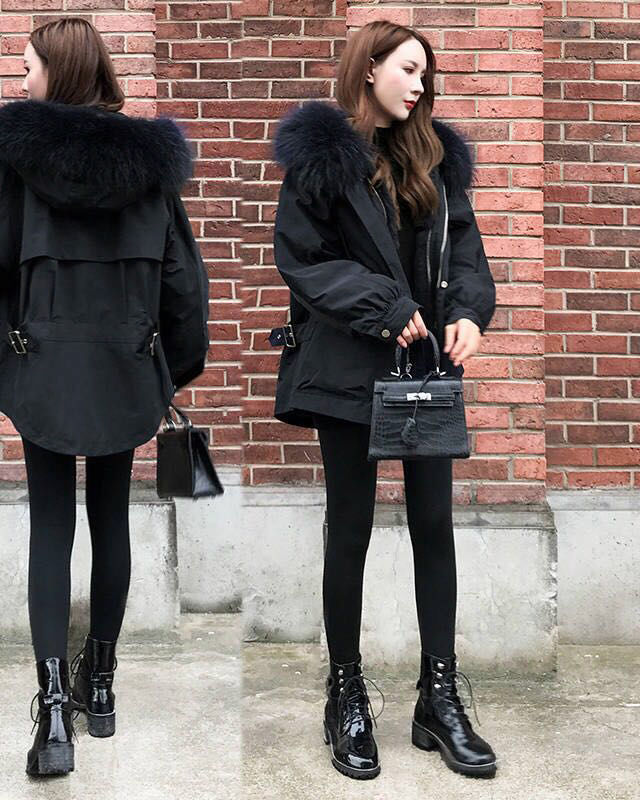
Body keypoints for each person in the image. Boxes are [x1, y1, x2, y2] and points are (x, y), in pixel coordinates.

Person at [0, 18, 210, 777]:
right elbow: (185, 287)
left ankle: (54, 714)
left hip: (44, 366)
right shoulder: (150, 172)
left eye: (27, 67)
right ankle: (103, 689)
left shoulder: (17, 167)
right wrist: (171, 372)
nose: (21, 81)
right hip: (124, 367)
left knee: (51, 528)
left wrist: (7, 278)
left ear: (57, 72)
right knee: (111, 518)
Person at [270, 20, 497, 780]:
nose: (420, 85)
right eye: (408, 69)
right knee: (351, 530)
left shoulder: (435, 159)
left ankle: (439, 698)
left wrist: (468, 313)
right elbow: (303, 261)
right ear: (368, 69)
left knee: (434, 525)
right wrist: (383, 304)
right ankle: (346, 694)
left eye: (425, 73)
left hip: (426, 369)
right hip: (347, 368)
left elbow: (465, 252)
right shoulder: (322, 160)